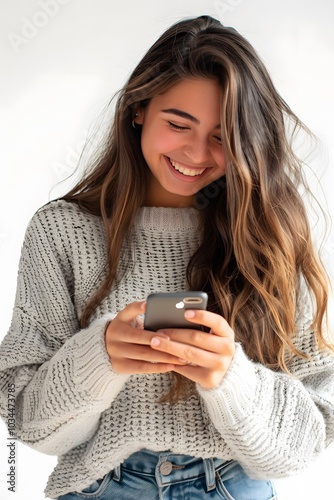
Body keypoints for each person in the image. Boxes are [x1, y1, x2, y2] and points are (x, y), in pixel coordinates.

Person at [0, 14, 333, 500]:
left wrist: (229, 378)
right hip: (101, 486)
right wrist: (101, 357)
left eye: (223, 136)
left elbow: (304, 444)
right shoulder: (62, 231)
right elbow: (28, 425)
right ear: (138, 109)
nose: (197, 153)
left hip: (233, 486)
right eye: (178, 124)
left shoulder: (272, 234)